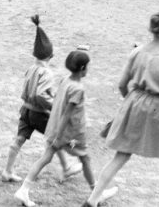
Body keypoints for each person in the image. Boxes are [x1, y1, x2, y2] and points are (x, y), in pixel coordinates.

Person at [84, 12, 159, 207]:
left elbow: (122, 84)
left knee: (121, 154)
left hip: (135, 102)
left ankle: (92, 199)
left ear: (151, 29)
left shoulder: (137, 52)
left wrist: (131, 102)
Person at [16, 49, 119, 207]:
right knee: (85, 158)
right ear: (83, 68)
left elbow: (58, 103)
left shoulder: (65, 80)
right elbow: (67, 114)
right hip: (69, 134)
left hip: (54, 128)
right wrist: (59, 136)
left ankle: (24, 189)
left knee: (46, 157)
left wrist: (55, 132)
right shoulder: (78, 89)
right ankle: (96, 193)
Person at [2, 16, 82, 182]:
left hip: (25, 110)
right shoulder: (46, 72)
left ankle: (7, 171)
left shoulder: (31, 68)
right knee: (55, 138)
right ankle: (66, 168)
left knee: (19, 140)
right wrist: (54, 106)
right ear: (50, 56)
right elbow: (40, 94)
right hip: (39, 113)